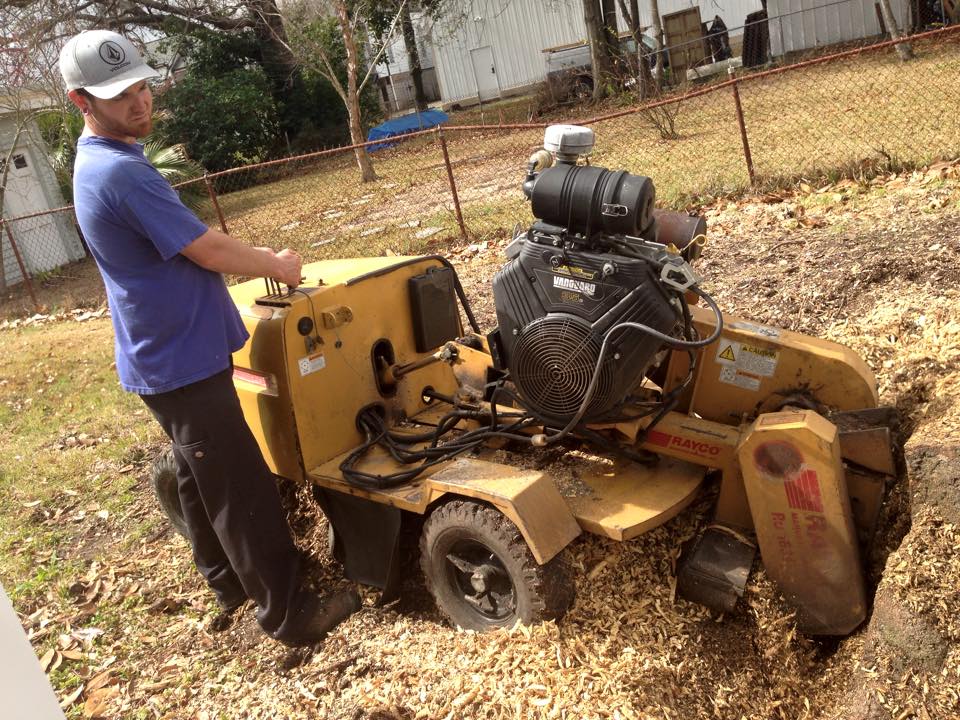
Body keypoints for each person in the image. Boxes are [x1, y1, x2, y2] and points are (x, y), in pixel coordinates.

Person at [58, 29, 359, 646]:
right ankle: (289, 615)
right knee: (239, 485)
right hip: (181, 359)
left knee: (197, 473)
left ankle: (223, 581)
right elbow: (204, 247)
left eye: (142, 86)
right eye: (120, 96)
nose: (140, 102)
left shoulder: (99, 160)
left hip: (159, 351)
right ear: (80, 101)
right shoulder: (121, 173)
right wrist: (274, 264)